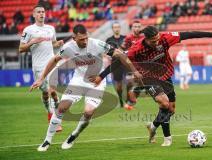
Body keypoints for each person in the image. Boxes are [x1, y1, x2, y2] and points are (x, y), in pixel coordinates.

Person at [91, 26, 212, 146]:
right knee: (164, 103)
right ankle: (168, 138)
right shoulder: (136, 49)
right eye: (153, 41)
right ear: (146, 39)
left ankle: (153, 126)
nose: (157, 42)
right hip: (149, 77)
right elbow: (119, 61)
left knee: (171, 110)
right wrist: (101, 76)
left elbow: (188, 34)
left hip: (165, 75)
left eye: (157, 38)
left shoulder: (165, 38)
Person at [30, 24, 140, 152]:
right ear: (74, 38)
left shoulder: (97, 44)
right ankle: (47, 140)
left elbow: (120, 55)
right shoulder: (67, 47)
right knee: (62, 107)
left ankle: (74, 135)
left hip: (96, 82)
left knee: (88, 112)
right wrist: (41, 78)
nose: (85, 41)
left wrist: (135, 71)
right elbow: (54, 59)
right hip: (78, 80)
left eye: (86, 38)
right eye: (81, 39)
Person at [19, 5, 64, 131]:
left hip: (52, 62)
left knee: (52, 90)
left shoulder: (51, 28)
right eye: (38, 12)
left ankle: (56, 120)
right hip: (38, 66)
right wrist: (33, 41)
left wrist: (58, 43)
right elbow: (21, 49)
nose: (41, 14)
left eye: (43, 12)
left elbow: (52, 43)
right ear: (34, 15)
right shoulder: (29, 30)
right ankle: (49, 111)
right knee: (45, 93)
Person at [122, 20, 144, 110]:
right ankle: (129, 101)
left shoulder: (144, 38)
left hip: (142, 64)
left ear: (141, 28)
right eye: (135, 26)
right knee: (129, 83)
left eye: (139, 26)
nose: (137, 28)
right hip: (130, 64)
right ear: (132, 28)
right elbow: (122, 49)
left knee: (142, 83)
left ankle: (131, 100)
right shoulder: (128, 38)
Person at [105, 21, 126, 107]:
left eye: (118, 27)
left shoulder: (125, 38)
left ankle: (129, 100)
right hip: (116, 63)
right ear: (113, 29)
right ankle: (121, 101)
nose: (116, 28)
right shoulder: (109, 40)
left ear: (120, 28)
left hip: (125, 62)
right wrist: (108, 57)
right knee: (119, 85)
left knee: (129, 82)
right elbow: (105, 51)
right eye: (115, 27)